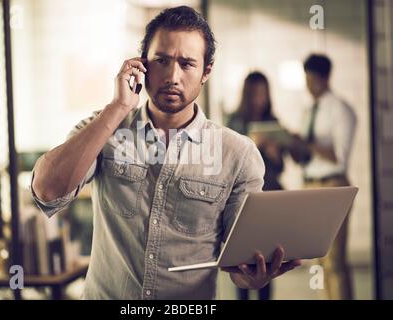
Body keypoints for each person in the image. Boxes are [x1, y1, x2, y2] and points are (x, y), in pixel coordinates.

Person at [31, 6, 301, 300]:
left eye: (187, 64)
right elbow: (47, 191)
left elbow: (239, 266)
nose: (173, 76)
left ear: (206, 72)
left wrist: (254, 276)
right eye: (161, 61)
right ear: (141, 63)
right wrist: (118, 107)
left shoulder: (237, 153)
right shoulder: (104, 128)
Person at [289, 54, 357, 300]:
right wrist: (292, 145)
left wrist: (307, 143)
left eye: (312, 79)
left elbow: (339, 156)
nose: (308, 84)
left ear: (325, 77)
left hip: (333, 185)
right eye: (306, 78)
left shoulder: (340, 109)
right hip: (310, 186)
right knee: (318, 259)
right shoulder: (308, 110)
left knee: (335, 260)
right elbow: (306, 156)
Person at [227, 72, 285, 300]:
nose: (259, 98)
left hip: (270, 197)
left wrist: (273, 153)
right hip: (243, 200)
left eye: (263, 93)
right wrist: (252, 146)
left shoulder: (274, 122)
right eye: (255, 93)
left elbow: (280, 167)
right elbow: (227, 162)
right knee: (242, 260)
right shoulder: (234, 122)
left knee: (268, 261)